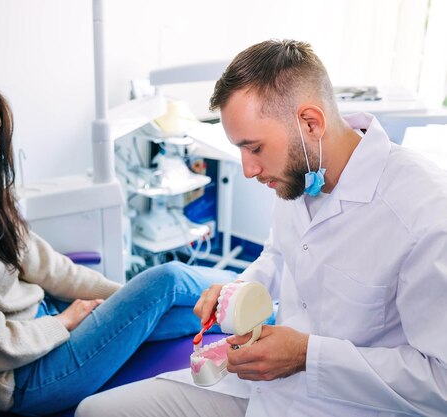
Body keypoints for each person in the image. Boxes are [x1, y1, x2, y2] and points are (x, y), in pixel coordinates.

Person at [75, 39, 447, 417]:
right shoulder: (305, 171)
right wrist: (238, 292)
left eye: (254, 148)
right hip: (264, 386)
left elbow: (441, 384)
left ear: (310, 123)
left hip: (346, 404)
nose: (248, 170)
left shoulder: (424, 215)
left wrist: (306, 356)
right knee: (94, 411)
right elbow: (278, 255)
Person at [0, 65, 237, 415]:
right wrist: (65, 321)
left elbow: (49, 266)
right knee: (167, 279)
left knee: (191, 312)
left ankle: (267, 315)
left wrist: (126, 299)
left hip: (45, 329)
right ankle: (263, 296)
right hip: (29, 377)